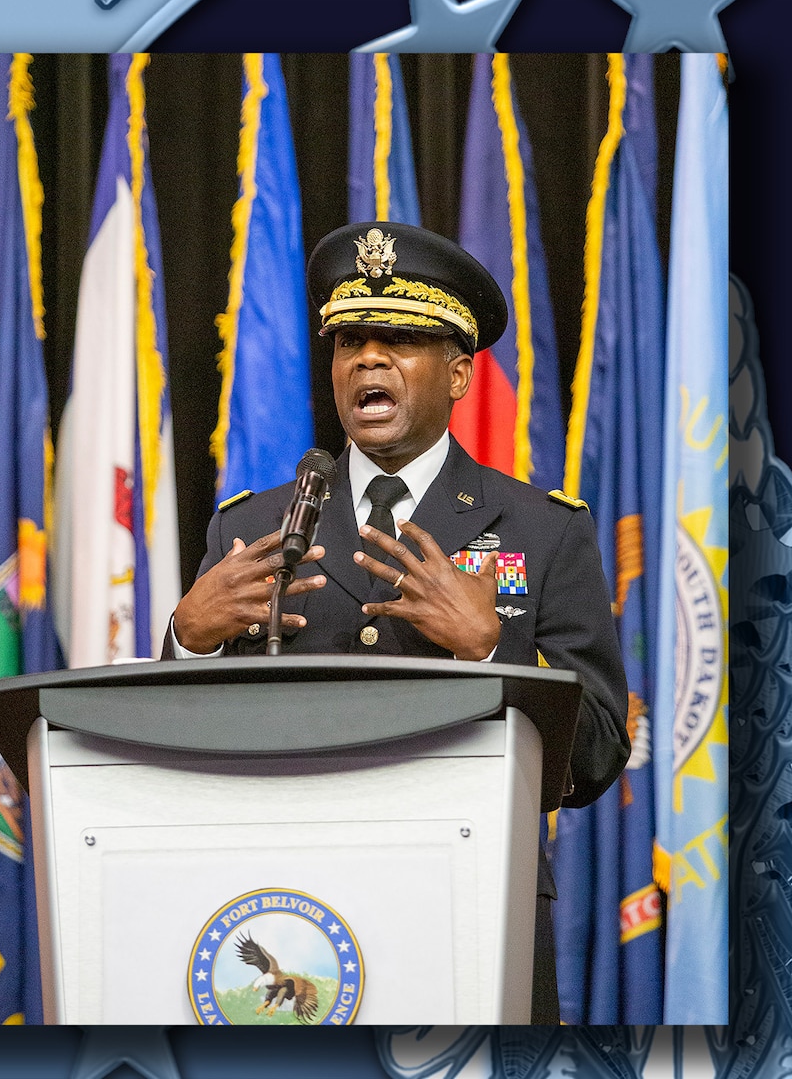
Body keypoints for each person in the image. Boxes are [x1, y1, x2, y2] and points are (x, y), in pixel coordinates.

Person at [165, 221, 630, 1023]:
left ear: (457, 375)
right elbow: (181, 748)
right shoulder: (254, 525)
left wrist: (493, 648)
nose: (367, 360)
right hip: (290, 910)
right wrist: (184, 640)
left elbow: (595, 757)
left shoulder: (541, 530)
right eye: (350, 341)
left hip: (474, 903)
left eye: (399, 340)